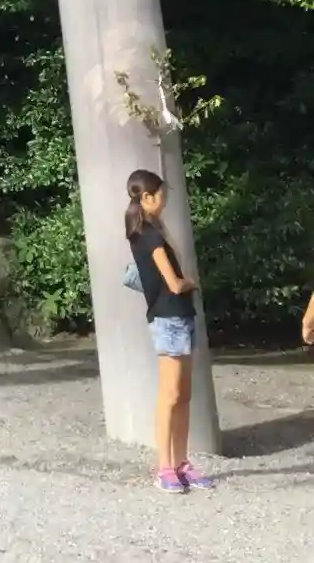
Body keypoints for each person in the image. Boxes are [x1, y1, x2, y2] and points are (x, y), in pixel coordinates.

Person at [126, 168, 214, 492]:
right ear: (147, 197)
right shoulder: (149, 235)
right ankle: (165, 467)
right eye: (161, 193)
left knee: (183, 395)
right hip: (168, 318)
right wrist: (192, 282)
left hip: (181, 316)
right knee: (170, 396)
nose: (164, 199)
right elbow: (174, 283)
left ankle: (181, 463)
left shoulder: (153, 231)